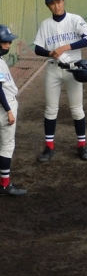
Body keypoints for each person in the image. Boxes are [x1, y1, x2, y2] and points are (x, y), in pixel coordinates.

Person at [33, 0, 87, 162]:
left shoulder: (75, 20)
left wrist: (65, 47)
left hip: (73, 69)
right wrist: (52, 53)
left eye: (58, 2)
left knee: (77, 109)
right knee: (50, 109)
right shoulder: (45, 25)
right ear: (48, 5)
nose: (56, 6)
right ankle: (49, 147)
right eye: (52, 3)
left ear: (63, 1)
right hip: (53, 69)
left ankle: (82, 145)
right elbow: (37, 48)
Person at [0, 25, 26, 196]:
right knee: (7, 145)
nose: (9, 44)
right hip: (4, 107)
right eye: (5, 42)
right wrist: (8, 110)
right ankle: (4, 185)